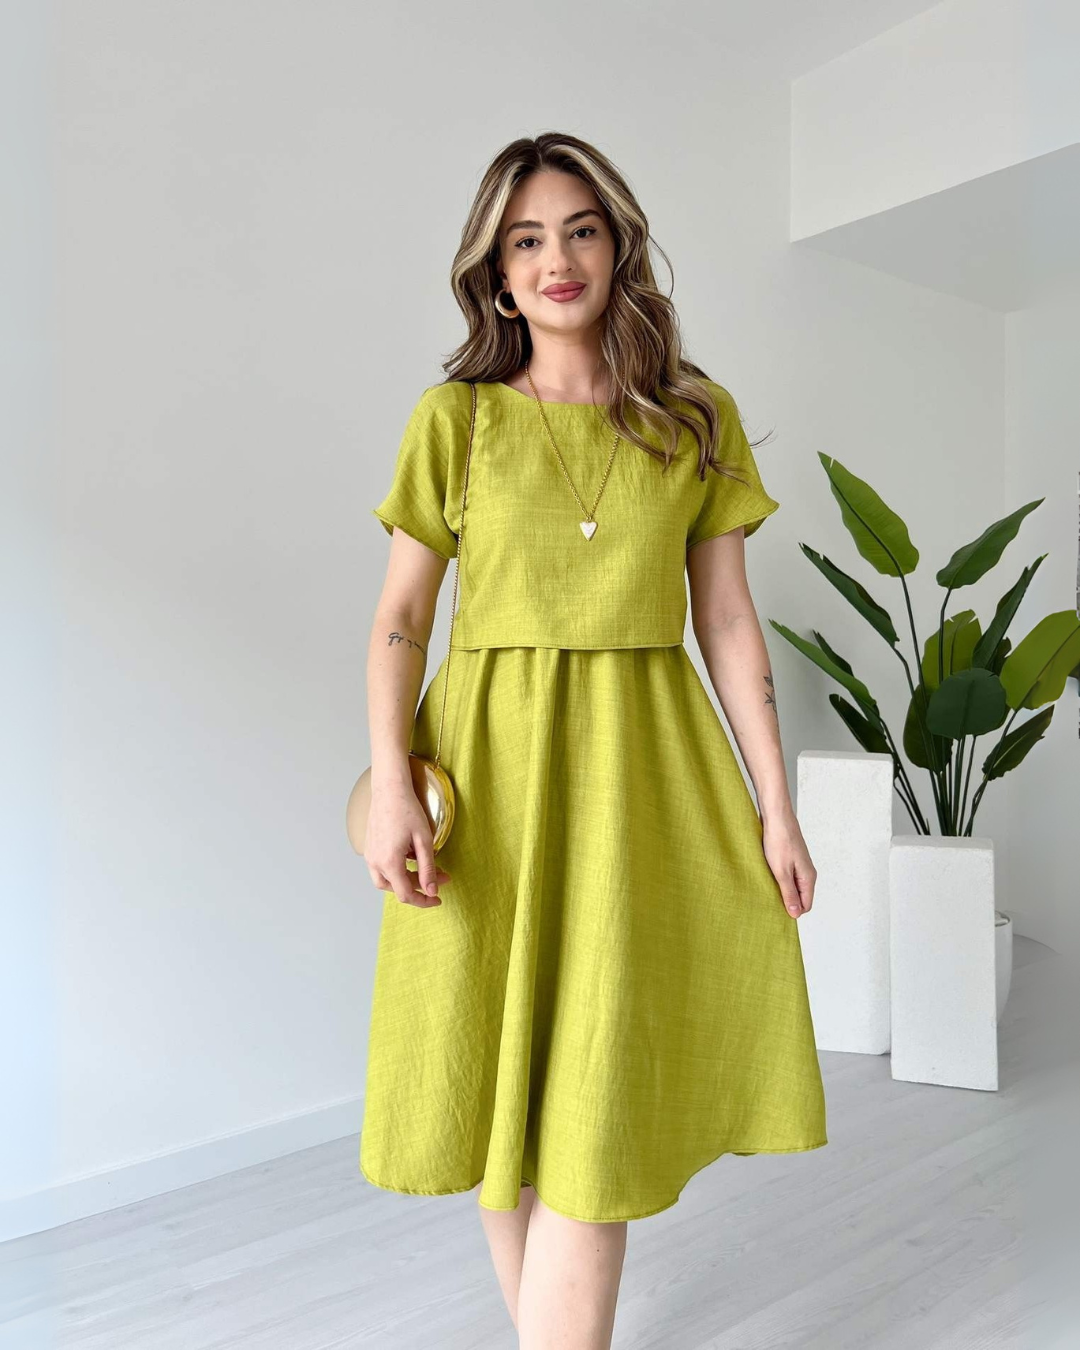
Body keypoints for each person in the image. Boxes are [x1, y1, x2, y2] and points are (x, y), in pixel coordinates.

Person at [359, 131, 828, 1349]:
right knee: (502, 1083)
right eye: (525, 240)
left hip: (642, 776)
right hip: (491, 778)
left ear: (618, 246)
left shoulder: (694, 417)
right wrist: (395, 783)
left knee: (596, 1097)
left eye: (580, 229)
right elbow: (401, 619)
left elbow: (728, 621)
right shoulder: (456, 420)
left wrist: (777, 805)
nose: (555, 257)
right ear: (497, 276)